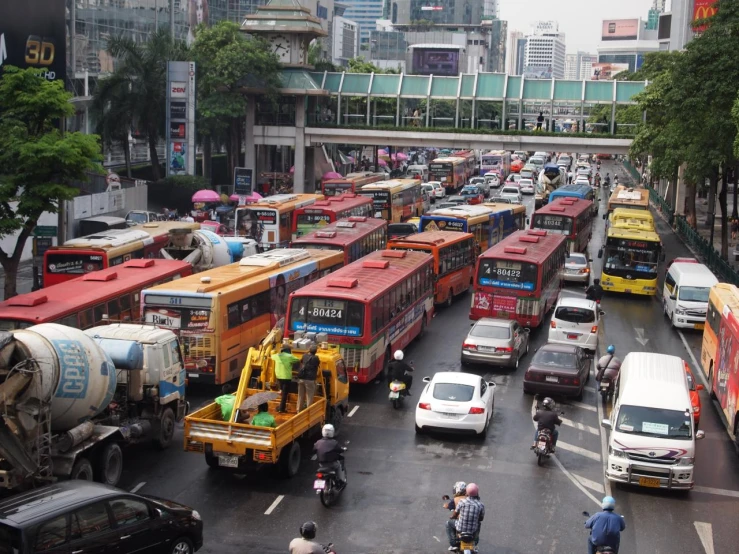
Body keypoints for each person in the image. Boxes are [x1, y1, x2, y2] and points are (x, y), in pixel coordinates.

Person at [447, 482, 484, 551]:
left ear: (466, 492)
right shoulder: (480, 505)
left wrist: (452, 517)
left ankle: (453, 544)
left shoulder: (462, 502)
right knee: (478, 524)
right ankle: (475, 543)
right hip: (473, 530)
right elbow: (481, 518)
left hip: (460, 527)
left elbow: (455, 513)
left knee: (448, 523)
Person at [271, 345, 299, 413]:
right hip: (286, 377)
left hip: (278, 376)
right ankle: (282, 409)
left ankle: (280, 391)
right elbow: (297, 360)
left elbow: (272, 356)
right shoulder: (290, 356)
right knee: (285, 394)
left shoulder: (277, 356)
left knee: (282, 391)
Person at [297, 344, 320, 412]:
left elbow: (301, 362)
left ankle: (298, 410)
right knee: (309, 396)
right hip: (310, 380)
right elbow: (318, 364)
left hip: (301, 378)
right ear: (315, 351)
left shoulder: (304, 355)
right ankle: (308, 411)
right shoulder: (315, 358)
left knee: (300, 395)